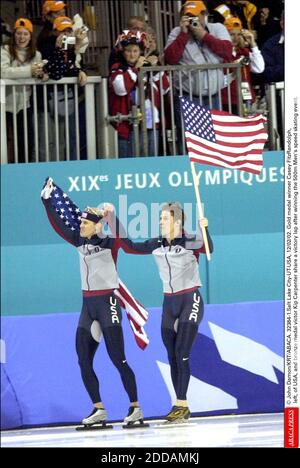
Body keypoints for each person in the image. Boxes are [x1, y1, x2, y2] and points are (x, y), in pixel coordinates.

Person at [41, 177, 146, 427]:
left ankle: (135, 407)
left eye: (86, 223)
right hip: (87, 306)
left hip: (107, 303)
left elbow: (127, 242)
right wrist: (47, 203)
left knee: (118, 359)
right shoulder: (79, 241)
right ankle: (98, 409)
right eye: (81, 222)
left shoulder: (110, 244)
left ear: (97, 226)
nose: (81, 225)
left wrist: (112, 217)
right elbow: (59, 227)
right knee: (83, 359)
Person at [116, 203, 214, 423]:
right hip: (169, 303)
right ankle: (178, 405)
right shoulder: (157, 243)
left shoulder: (189, 240)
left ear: (177, 222)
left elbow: (209, 248)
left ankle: (182, 404)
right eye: (160, 218)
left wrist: (204, 229)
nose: (160, 222)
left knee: (182, 352)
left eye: (165, 219)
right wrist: (113, 220)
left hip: (190, 298)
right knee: (172, 356)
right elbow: (130, 247)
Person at [164, 0, 233, 154]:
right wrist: (183, 35)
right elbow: (170, 59)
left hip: (214, 96)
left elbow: (228, 52)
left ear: (204, 15)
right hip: (188, 96)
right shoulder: (176, 32)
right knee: (189, 142)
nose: (191, 20)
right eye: (187, 16)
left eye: (194, 16)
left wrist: (203, 35)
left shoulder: (218, 28)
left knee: (214, 142)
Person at [109, 31, 169, 157]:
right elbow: (121, 88)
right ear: (123, 52)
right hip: (127, 124)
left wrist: (155, 66)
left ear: (140, 52)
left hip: (150, 123)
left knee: (151, 163)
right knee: (129, 165)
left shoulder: (146, 65)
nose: (132, 54)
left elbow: (165, 88)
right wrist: (137, 69)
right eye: (128, 51)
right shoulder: (118, 67)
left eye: (135, 51)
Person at [1, 18, 44, 163]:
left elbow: (38, 74)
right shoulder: (5, 50)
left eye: (25, 34)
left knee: (26, 141)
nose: (21, 37)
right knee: (4, 141)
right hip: (4, 104)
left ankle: (23, 170)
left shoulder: (36, 54)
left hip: (24, 104)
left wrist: (42, 74)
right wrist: (29, 71)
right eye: (18, 33)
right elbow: (4, 72)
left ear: (30, 36)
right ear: (14, 35)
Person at [221, 16, 264, 115]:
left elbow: (259, 68)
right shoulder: (220, 53)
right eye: (231, 34)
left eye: (239, 34)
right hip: (226, 101)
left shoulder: (244, 51)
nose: (235, 38)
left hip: (246, 100)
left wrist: (253, 43)